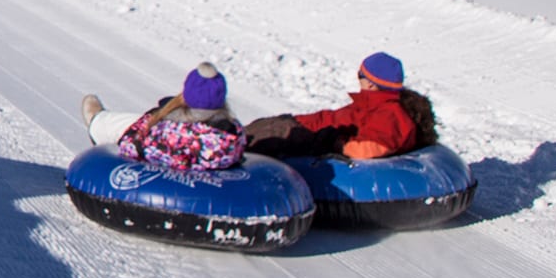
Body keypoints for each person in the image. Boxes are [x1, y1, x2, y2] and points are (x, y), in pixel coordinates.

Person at [244, 52, 435, 160]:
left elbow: (373, 147)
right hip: (312, 126)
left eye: (360, 75)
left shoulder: (390, 113)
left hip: (320, 136)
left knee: (272, 133)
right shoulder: (377, 104)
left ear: (370, 83)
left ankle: (226, 154)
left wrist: (338, 145)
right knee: (270, 125)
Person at [79, 62, 246, 171]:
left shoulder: (167, 132)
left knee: (127, 125)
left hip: (160, 169)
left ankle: (97, 120)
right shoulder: (232, 135)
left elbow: (131, 146)